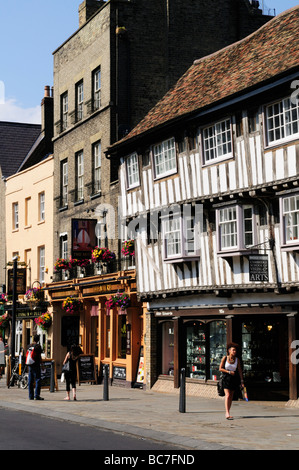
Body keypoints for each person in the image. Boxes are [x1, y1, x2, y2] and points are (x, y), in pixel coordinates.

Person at [219, 342, 244, 420]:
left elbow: (239, 370)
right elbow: (220, 368)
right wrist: (228, 372)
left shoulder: (237, 360)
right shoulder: (225, 358)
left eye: (235, 350)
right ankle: (227, 412)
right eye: (233, 350)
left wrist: (242, 381)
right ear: (229, 351)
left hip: (234, 378)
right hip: (226, 378)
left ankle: (228, 411)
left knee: (231, 396)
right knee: (228, 395)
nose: (234, 352)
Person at [28, 334, 44, 401]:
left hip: (30, 364)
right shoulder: (38, 346)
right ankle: (36, 395)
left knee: (30, 380)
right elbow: (39, 356)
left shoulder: (29, 346)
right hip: (36, 364)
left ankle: (30, 395)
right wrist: (42, 364)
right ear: (38, 340)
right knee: (38, 379)